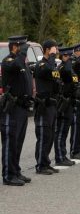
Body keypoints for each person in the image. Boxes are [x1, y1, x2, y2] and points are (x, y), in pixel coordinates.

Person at [1, 35, 33, 186]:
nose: (25, 50)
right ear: (15, 47)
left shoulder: (21, 62)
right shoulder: (8, 61)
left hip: (22, 106)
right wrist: (22, 54)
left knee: (18, 141)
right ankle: (8, 174)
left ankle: (16, 170)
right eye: (23, 46)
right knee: (10, 142)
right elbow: (15, 65)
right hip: (11, 108)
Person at [34, 39, 60, 174]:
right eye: (53, 49)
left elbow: (56, 78)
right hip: (44, 105)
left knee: (50, 135)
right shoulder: (42, 65)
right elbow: (49, 70)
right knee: (44, 135)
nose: (56, 51)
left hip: (52, 104)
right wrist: (52, 57)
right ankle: (40, 165)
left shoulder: (51, 64)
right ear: (47, 50)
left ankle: (46, 162)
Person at [54, 46, 77, 166]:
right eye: (68, 56)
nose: (70, 58)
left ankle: (63, 155)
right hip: (64, 103)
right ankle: (59, 157)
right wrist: (67, 62)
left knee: (65, 131)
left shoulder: (69, 67)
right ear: (63, 56)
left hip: (70, 102)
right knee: (61, 131)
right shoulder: (63, 68)